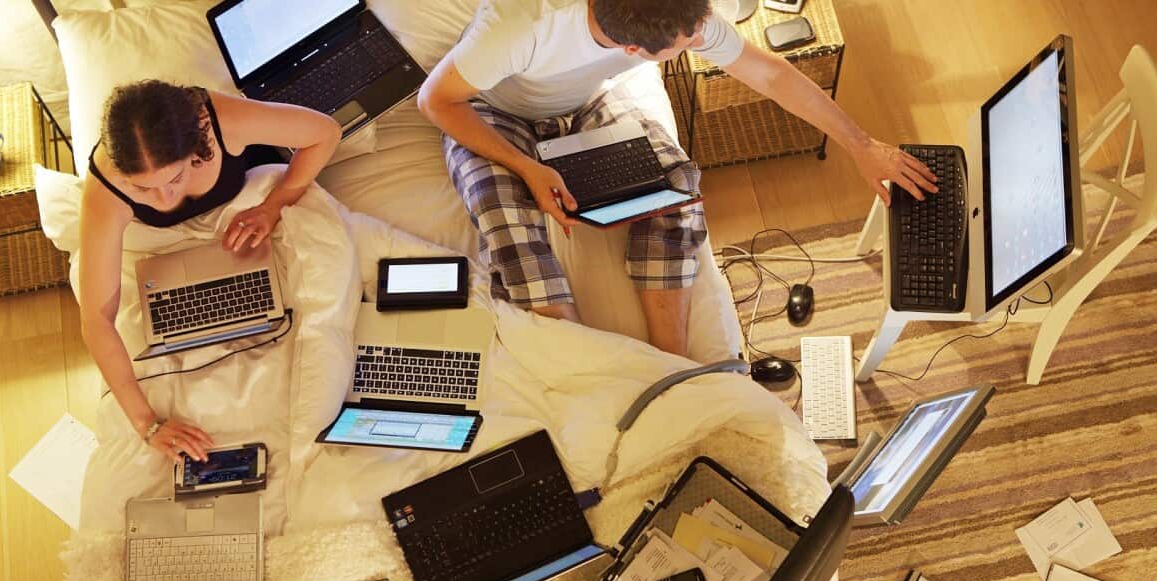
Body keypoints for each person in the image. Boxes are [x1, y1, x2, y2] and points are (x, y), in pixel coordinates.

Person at [419, 0, 938, 356]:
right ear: (631, 50)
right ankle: (583, 357)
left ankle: (670, 360)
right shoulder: (520, 23)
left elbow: (770, 73)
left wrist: (861, 146)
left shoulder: (680, 12)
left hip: (589, 100)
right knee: (507, 224)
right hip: (493, 109)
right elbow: (436, 101)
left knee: (676, 191)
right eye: (685, 46)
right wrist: (529, 169)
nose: (700, 41)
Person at [79, 80, 341, 463]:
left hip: (251, 208)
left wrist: (273, 207)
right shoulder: (106, 188)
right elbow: (96, 320)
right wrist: (147, 424)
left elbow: (326, 133)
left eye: (175, 178)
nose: (165, 199)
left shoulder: (220, 120)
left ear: (195, 146)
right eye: (143, 189)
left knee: (325, 298)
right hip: (166, 250)